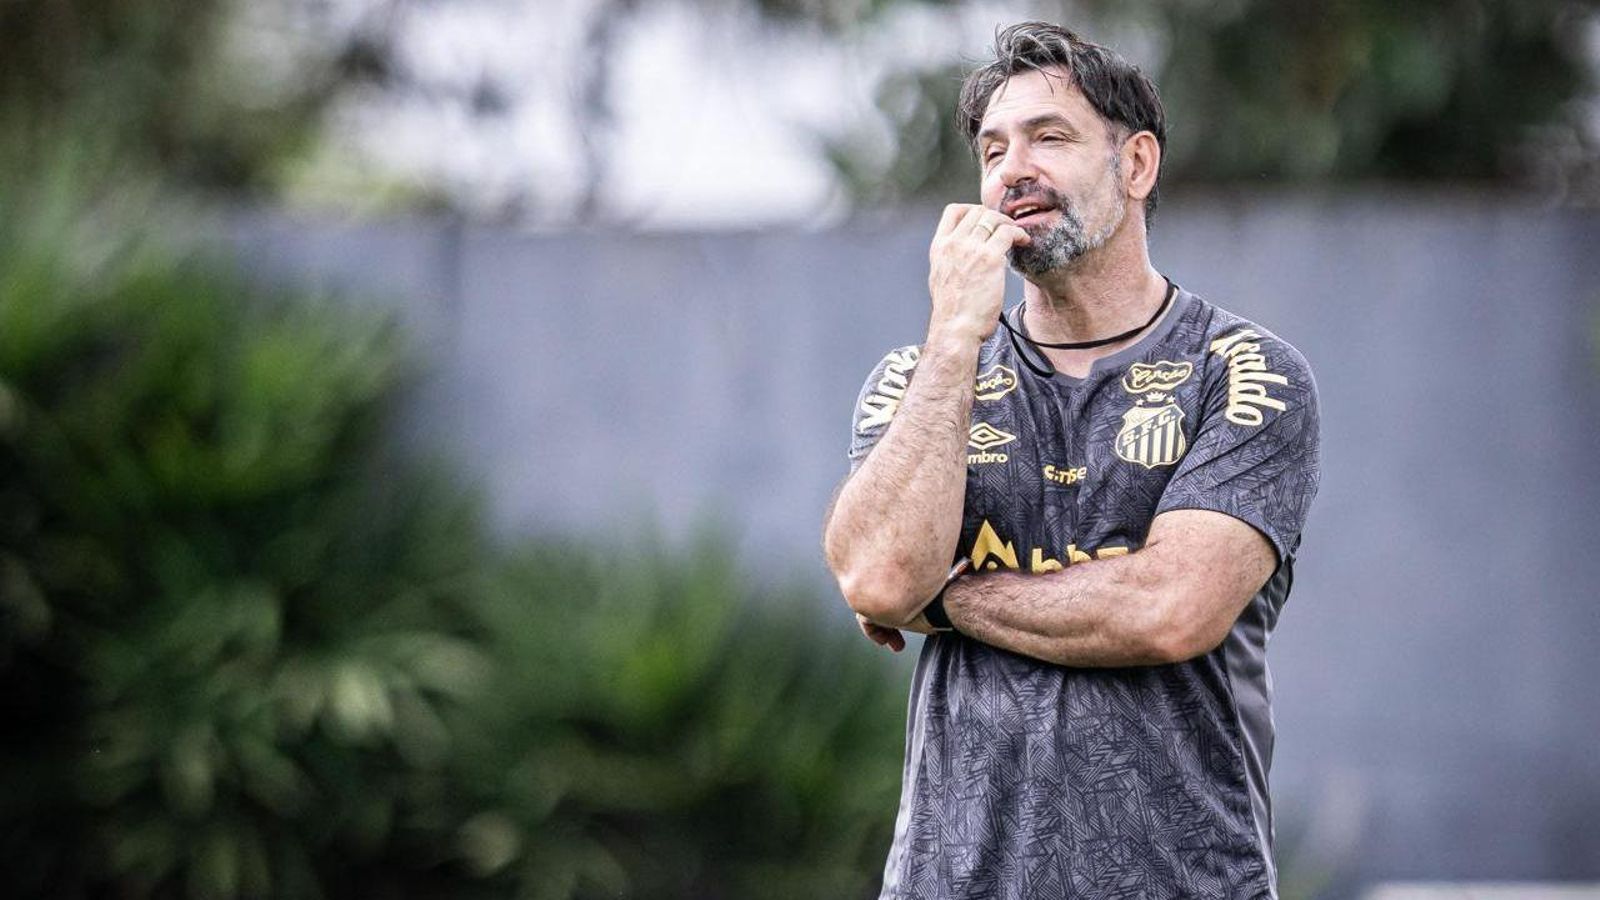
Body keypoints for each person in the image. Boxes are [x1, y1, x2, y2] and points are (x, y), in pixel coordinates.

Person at [821, 21, 1322, 900]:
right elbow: (879, 576)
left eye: (1049, 138)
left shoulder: (1245, 371)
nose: (1013, 170)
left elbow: (1168, 609)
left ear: (1136, 165)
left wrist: (949, 598)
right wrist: (955, 338)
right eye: (993, 151)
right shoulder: (921, 379)